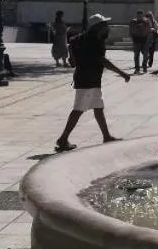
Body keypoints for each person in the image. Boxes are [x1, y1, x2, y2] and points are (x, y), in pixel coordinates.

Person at [56, 14, 131, 152]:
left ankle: (106, 136)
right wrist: (122, 73)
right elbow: (102, 61)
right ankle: (63, 139)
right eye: (104, 25)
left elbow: (73, 60)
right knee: (78, 110)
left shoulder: (82, 38)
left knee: (98, 108)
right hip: (88, 80)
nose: (107, 27)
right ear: (98, 27)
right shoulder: (93, 41)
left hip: (87, 78)